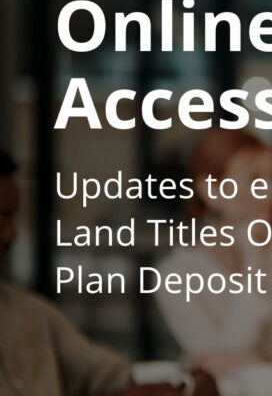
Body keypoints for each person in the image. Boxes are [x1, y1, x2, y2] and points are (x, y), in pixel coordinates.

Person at [0, 151, 218, 396]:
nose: (13, 234)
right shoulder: (179, 269)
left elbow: (110, 374)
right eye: (2, 217)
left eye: (13, 217)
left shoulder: (32, 314)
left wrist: (182, 382)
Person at [154, 129, 272, 378]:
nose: (270, 192)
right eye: (255, 179)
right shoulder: (175, 275)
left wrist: (258, 361)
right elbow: (215, 371)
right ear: (211, 192)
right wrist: (253, 264)